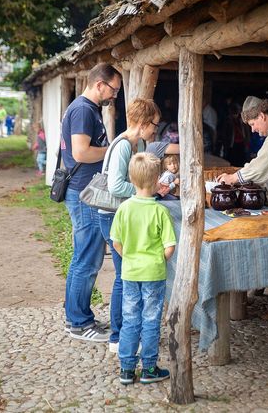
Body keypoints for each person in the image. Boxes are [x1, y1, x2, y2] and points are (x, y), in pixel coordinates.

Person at [62, 62, 121, 343]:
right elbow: (81, 153)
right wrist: (112, 151)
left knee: (87, 257)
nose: (114, 96)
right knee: (86, 259)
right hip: (83, 193)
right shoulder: (84, 110)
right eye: (113, 90)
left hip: (87, 191)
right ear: (100, 84)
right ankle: (78, 322)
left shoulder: (88, 109)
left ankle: (78, 316)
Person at [98, 97, 162, 353]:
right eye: (154, 125)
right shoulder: (125, 145)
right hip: (112, 215)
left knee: (125, 276)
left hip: (116, 215)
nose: (155, 129)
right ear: (144, 123)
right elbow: (115, 186)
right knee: (124, 278)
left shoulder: (130, 144)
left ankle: (125, 334)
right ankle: (118, 337)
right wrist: (145, 189)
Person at [111, 152, 176, 385]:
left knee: (130, 319)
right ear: (158, 178)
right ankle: (149, 369)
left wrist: (128, 257)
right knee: (150, 320)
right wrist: (158, 260)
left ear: (131, 179)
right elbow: (170, 247)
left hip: (130, 272)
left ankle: (127, 370)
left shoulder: (124, 209)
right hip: (154, 274)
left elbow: (116, 241)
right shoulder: (161, 211)